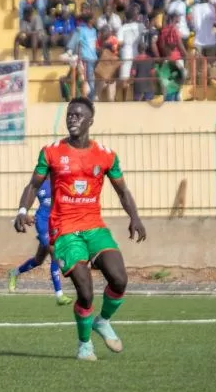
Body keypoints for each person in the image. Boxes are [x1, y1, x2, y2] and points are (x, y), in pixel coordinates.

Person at [13, 97, 146, 361]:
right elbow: (33, 184)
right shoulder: (51, 151)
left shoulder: (105, 155)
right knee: (85, 291)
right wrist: (22, 210)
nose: (72, 118)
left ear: (90, 121)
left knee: (119, 278)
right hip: (63, 229)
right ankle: (84, 345)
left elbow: (122, 190)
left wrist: (135, 217)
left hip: (94, 227)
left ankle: (103, 320)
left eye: (78, 115)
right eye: (69, 114)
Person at [7, 177, 72, 305]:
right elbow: (28, 194)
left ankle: (14, 273)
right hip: (42, 222)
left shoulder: (63, 179)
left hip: (57, 223)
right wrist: (24, 215)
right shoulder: (39, 181)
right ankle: (59, 295)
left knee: (38, 260)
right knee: (54, 252)